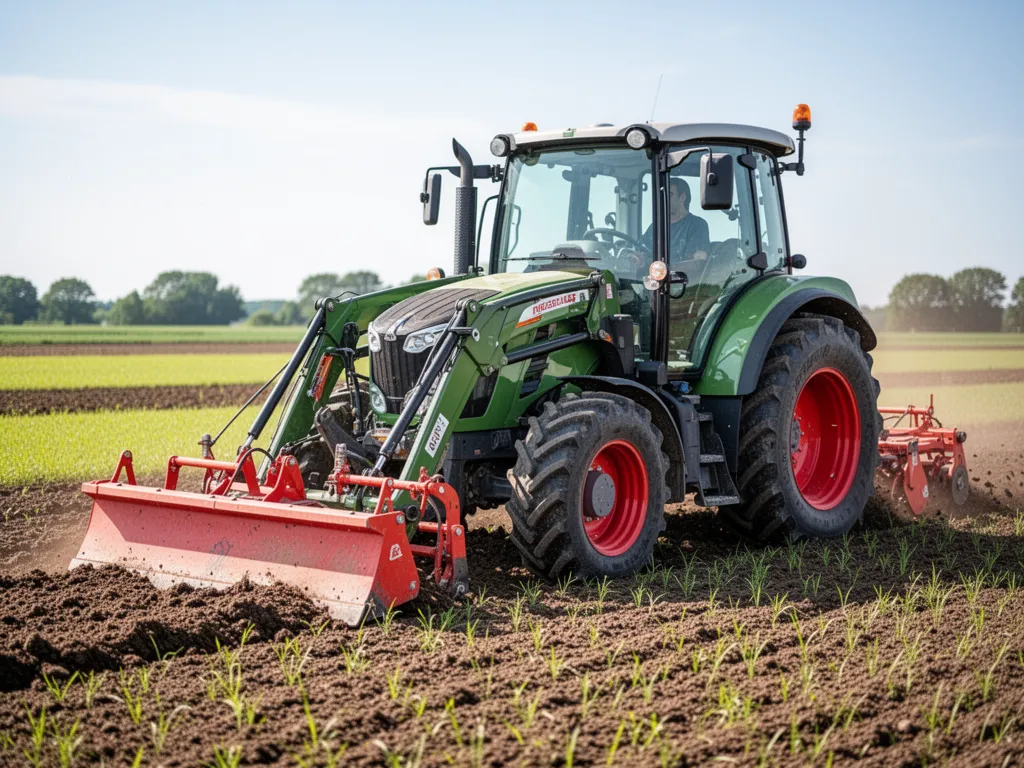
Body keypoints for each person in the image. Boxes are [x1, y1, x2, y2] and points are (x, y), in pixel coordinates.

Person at [641, 177, 710, 261]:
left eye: (670, 195)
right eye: (663, 195)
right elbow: (641, 250)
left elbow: (693, 263)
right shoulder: (656, 227)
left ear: (682, 197)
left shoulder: (697, 225)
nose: (664, 199)